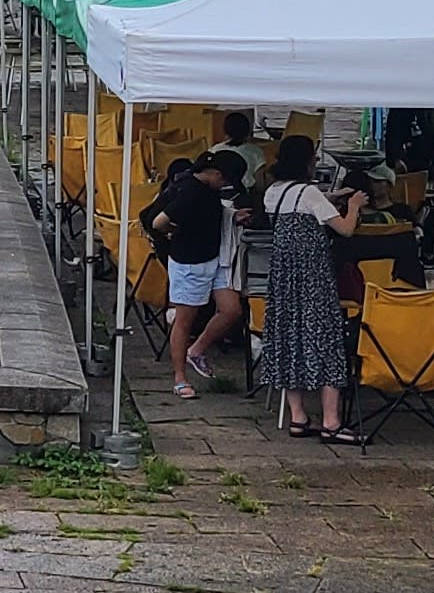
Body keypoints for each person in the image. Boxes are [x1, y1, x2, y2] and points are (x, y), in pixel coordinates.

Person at [256, 134, 362, 441]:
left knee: (290, 340)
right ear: (306, 161)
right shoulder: (310, 193)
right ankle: (332, 421)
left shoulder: (273, 192)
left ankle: (298, 417)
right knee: (325, 338)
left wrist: (332, 195)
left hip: (284, 281)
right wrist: (352, 205)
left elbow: (300, 204)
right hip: (313, 279)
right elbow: (345, 229)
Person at [143, 149, 237, 399]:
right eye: (224, 180)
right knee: (185, 319)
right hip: (190, 260)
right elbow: (158, 222)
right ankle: (180, 378)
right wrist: (177, 230)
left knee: (231, 309)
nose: (225, 186)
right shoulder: (190, 192)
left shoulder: (205, 190)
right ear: (215, 174)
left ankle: (196, 350)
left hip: (215, 256)